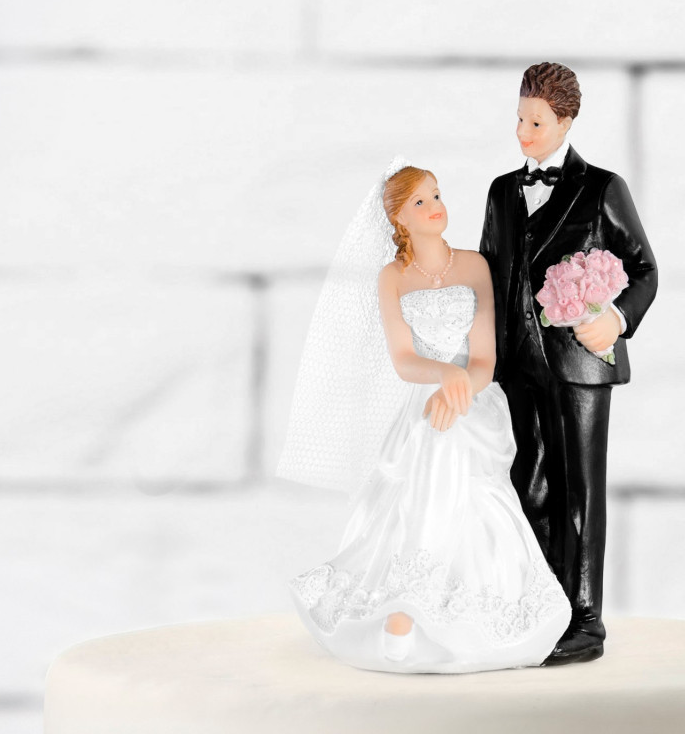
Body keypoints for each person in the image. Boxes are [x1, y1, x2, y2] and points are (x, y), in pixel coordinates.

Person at [280, 160, 571, 673]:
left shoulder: (474, 266)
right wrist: (442, 376)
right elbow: (403, 359)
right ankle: (405, 601)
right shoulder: (392, 278)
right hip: (424, 397)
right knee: (428, 452)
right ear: (399, 219)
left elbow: (484, 359)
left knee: (463, 466)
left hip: (473, 400)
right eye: (420, 201)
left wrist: (460, 387)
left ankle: (458, 608)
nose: (435, 207)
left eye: (436, 195)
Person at [480, 62, 658, 665]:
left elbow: (644, 268)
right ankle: (539, 606)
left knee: (579, 491)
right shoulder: (502, 192)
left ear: (566, 121)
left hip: (579, 361)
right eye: (519, 119)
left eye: (536, 122)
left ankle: (584, 620)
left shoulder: (603, 188)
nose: (522, 132)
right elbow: (489, 272)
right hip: (516, 366)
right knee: (525, 485)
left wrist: (617, 318)